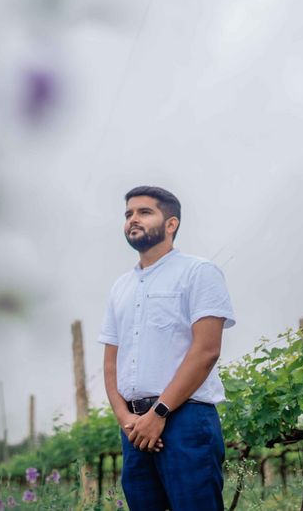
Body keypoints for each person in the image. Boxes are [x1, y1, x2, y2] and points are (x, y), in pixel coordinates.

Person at [99, 186, 236, 511]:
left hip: (185, 420)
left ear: (171, 223)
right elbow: (110, 364)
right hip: (134, 427)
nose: (133, 219)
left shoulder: (198, 272)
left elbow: (206, 350)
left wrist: (159, 413)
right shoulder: (120, 287)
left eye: (144, 212)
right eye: (128, 214)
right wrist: (126, 419)